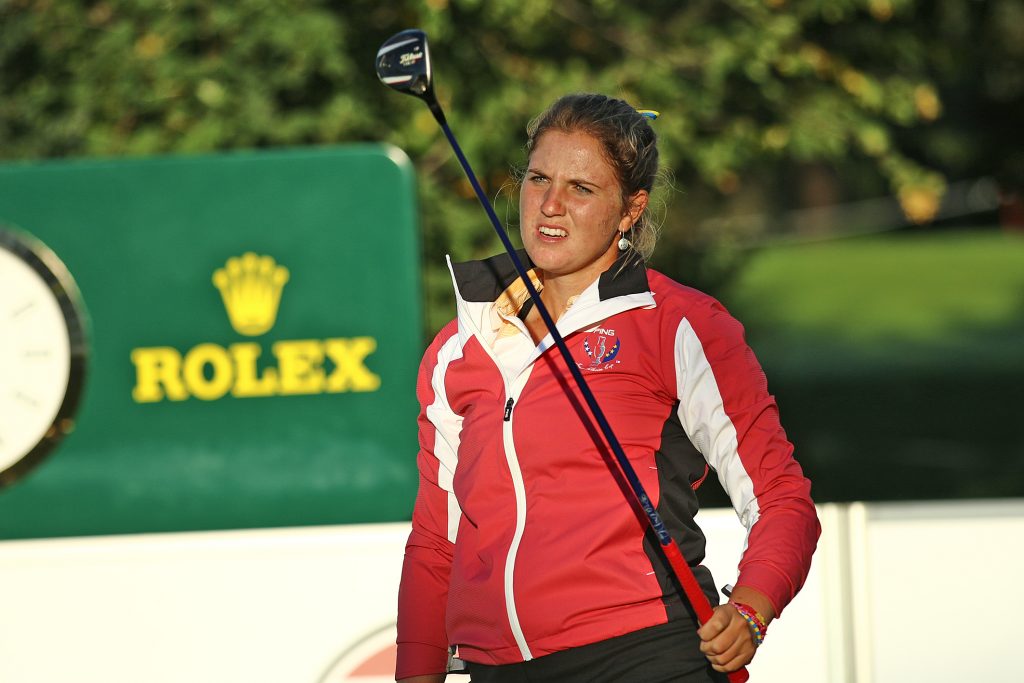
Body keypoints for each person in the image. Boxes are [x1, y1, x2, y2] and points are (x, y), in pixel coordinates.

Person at [396, 93, 820, 683]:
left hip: (646, 656)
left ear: (629, 210)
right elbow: (435, 547)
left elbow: (781, 497)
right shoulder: (456, 348)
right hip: (496, 668)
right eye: (538, 178)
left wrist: (751, 609)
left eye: (581, 188)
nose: (550, 204)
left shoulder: (678, 324)